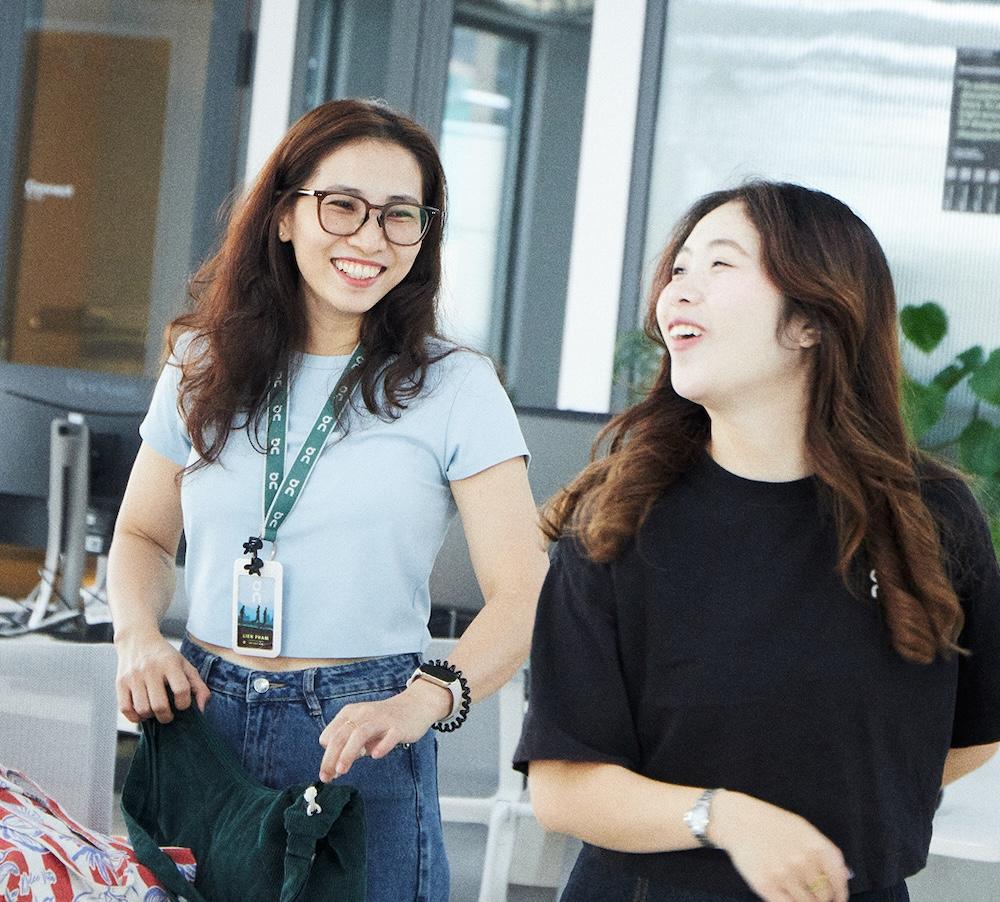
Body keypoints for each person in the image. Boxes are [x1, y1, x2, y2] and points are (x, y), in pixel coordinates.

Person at [108, 98, 549, 902]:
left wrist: (425, 700)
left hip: (364, 728)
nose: (370, 238)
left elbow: (524, 593)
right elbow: (141, 533)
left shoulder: (454, 385)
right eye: (341, 205)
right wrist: (138, 636)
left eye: (399, 215)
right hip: (205, 719)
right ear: (283, 216)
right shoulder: (201, 362)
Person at [513, 181, 1000, 902]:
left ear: (811, 318)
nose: (680, 290)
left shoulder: (931, 517)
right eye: (678, 270)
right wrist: (729, 819)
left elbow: (973, 730)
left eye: (719, 266)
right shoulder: (617, 520)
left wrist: (849, 810)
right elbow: (562, 787)